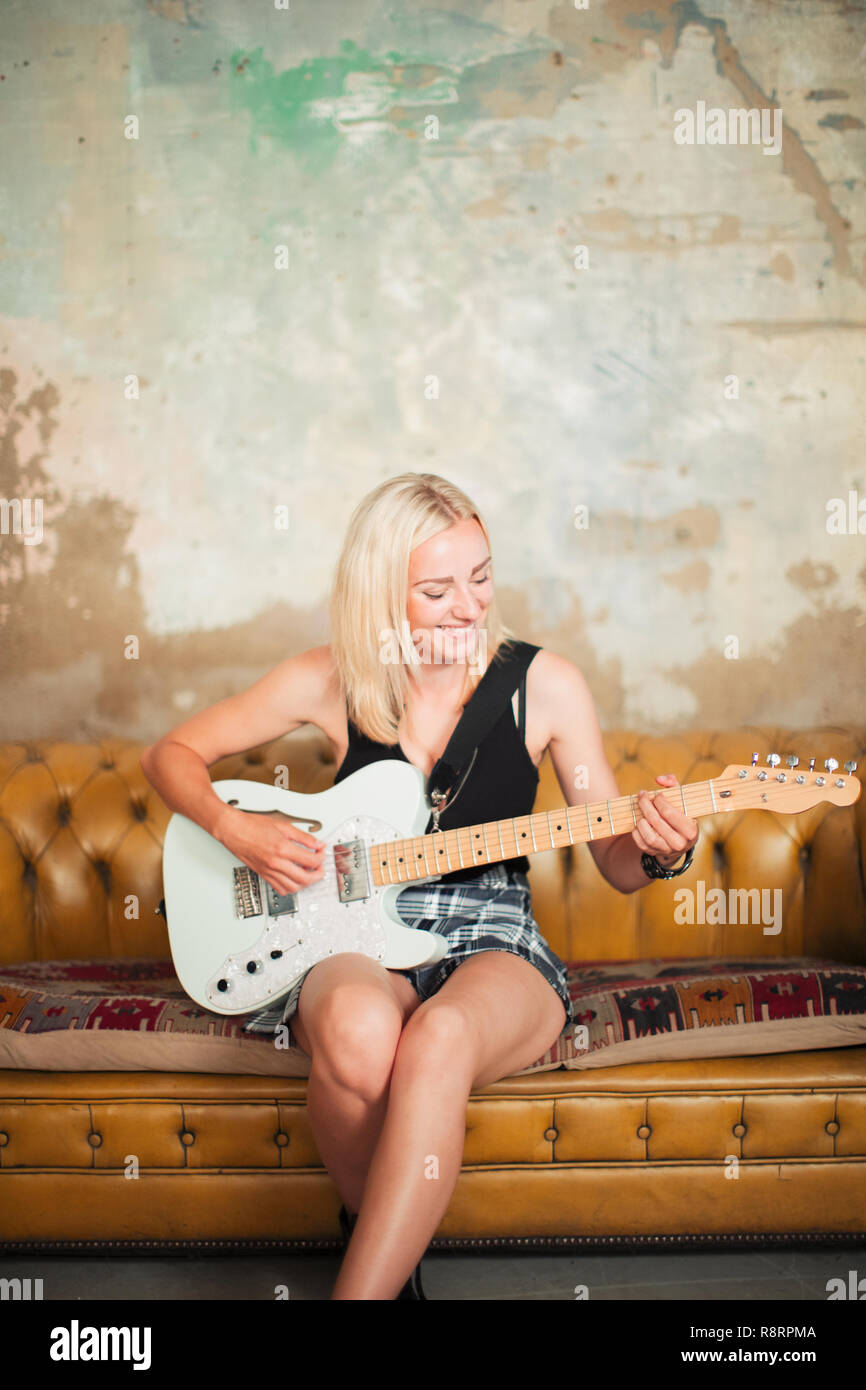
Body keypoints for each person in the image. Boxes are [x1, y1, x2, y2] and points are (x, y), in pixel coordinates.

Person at [140, 472, 699, 1300]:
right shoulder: (332, 679)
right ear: (380, 593)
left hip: (495, 935)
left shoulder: (546, 685)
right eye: (436, 590)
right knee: (363, 1033)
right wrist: (239, 831)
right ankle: (390, 1260)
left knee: (437, 1039)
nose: (470, 609)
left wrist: (664, 850)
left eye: (481, 578)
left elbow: (616, 861)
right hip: (349, 926)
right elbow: (170, 756)